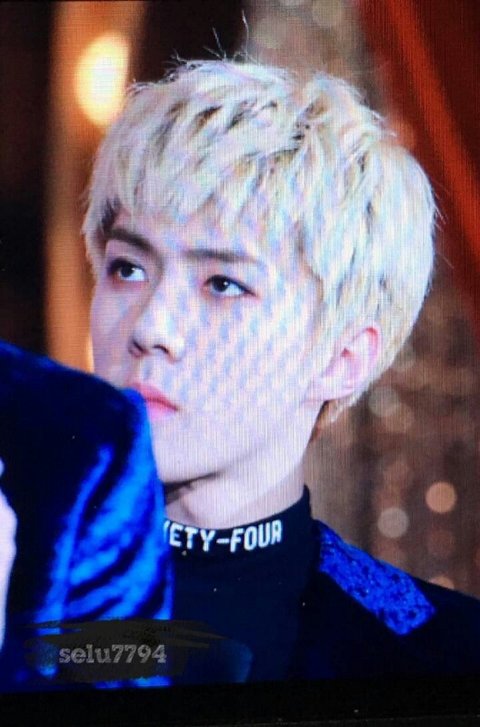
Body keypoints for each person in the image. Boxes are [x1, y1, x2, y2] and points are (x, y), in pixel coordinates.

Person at [2, 58, 480, 687]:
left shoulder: (449, 658)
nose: (151, 327)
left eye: (223, 284)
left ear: (343, 358)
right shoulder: (17, 593)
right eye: (128, 269)